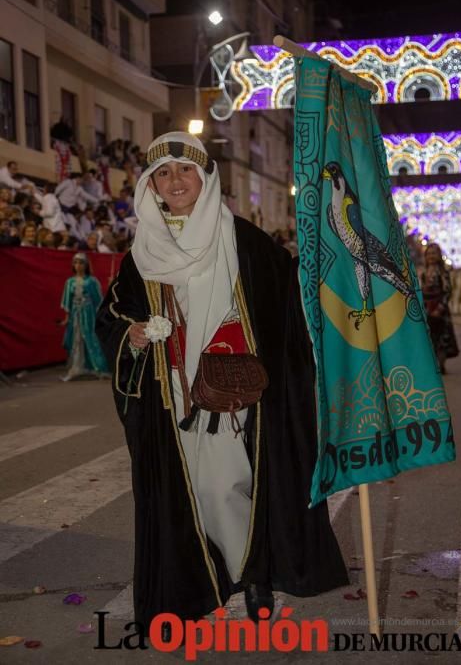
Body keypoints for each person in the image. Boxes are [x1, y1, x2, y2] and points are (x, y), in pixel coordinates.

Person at [95, 132, 347, 637]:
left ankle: (252, 575)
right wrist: (135, 335)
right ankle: (222, 574)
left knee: (226, 483)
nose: (175, 181)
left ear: (206, 177)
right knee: (195, 492)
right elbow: (112, 320)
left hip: (237, 390)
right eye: (162, 174)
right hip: (171, 394)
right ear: (151, 186)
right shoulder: (140, 252)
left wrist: (330, 260)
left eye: (184, 170)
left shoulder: (245, 241)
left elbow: (288, 300)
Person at [60, 253, 109, 381]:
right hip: (76, 315)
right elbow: (67, 301)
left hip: (89, 315)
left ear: (86, 265)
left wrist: (100, 317)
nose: (78, 266)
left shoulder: (92, 281)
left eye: (81, 263)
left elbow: (98, 300)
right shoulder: (69, 282)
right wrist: (67, 317)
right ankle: (77, 366)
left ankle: (98, 367)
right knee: (76, 338)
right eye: (75, 263)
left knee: (91, 338)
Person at [421, 243, 459, 373]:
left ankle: (441, 364)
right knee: (430, 337)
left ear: (439, 256)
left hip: (440, 309)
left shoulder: (443, 272)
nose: (431, 256)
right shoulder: (424, 273)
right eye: (429, 254)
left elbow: (447, 291)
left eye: (434, 253)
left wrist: (440, 308)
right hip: (427, 308)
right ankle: (432, 363)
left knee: (442, 338)